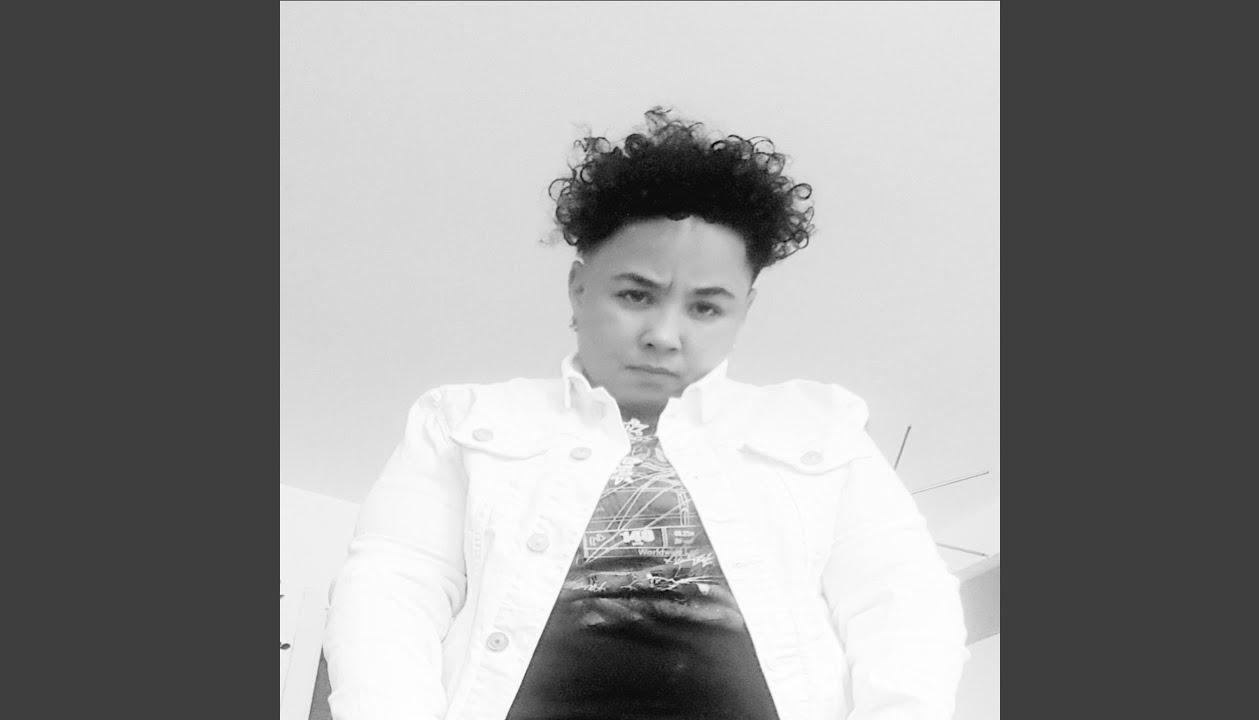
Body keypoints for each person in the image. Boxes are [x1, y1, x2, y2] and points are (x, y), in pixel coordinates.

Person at [323, 108, 969, 720]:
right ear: (579, 287)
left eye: (706, 307)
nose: (664, 335)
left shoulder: (820, 427)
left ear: (744, 310)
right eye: (636, 295)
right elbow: (390, 593)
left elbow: (903, 605)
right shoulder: (461, 420)